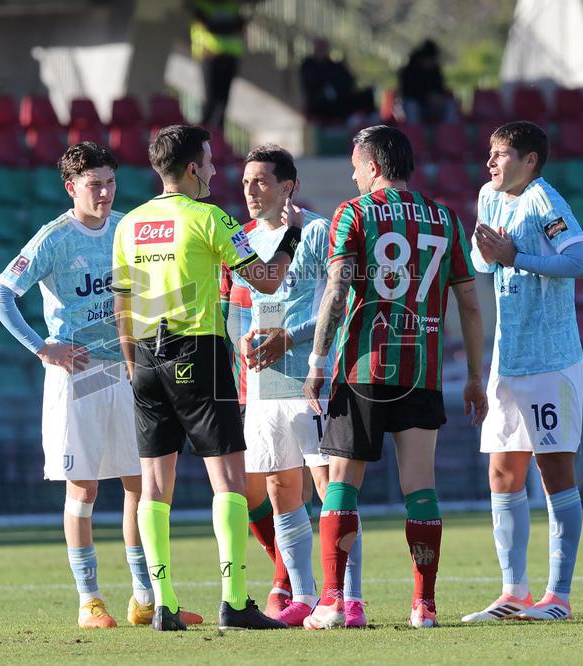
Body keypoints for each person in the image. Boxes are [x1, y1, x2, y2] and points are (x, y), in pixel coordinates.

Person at [0, 143, 203, 630]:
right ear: (71, 188)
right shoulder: (54, 238)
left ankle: (145, 598)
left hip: (127, 369)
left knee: (139, 483)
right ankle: (89, 600)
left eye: (110, 182)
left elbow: (147, 292)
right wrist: (43, 348)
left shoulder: (127, 228)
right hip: (79, 375)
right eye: (93, 185)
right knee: (82, 489)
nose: (104, 193)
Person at [111, 124, 301, 631]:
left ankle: (164, 604)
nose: (216, 172)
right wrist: (293, 235)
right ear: (193, 168)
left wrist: (131, 364)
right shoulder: (210, 217)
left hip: (145, 358)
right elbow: (268, 280)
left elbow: (121, 302)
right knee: (230, 481)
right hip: (198, 350)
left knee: (155, 485)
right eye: (211, 163)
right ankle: (234, 601)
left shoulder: (130, 224)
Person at [302, 125, 488, 630]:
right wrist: (475, 376)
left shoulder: (353, 213)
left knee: (342, 483)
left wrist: (317, 361)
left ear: (374, 167)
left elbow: (337, 289)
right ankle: (424, 605)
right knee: (421, 487)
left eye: (356, 167)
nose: (353, 177)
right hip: (421, 368)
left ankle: (332, 601)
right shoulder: (445, 218)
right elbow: (470, 303)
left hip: (363, 365)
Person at [220, 144, 366, 627]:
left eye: (261, 181)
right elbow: (236, 311)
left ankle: (349, 597)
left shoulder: (318, 230)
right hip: (263, 385)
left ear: (290, 186)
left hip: (312, 380)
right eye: (246, 181)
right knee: (281, 486)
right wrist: (241, 342)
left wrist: (292, 337)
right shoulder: (240, 240)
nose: (251, 190)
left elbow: (337, 302)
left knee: (331, 487)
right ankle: (303, 594)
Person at [462, 120, 583, 623]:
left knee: (554, 471)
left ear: (529, 160)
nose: (490, 162)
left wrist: (516, 255)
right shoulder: (489, 196)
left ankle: (558, 597)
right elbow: (483, 264)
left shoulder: (545, 201)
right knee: (502, 471)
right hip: (508, 358)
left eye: (500, 154)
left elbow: (580, 263)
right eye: (490, 153)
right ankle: (513, 592)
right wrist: (490, 254)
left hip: (550, 360)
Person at [190, 0, 251, 128]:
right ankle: (201, 132)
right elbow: (210, 26)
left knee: (223, 101)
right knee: (210, 100)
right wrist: (232, 27)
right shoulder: (203, 5)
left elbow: (240, 26)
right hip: (210, 55)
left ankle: (218, 133)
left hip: (230, 56)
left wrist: (236, 25)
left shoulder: (231, 6)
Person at [300, 38, 372, 125]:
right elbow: (313, 86)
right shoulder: (308, 65)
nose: (322, 50)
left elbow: (349, 81)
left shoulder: (334, 65)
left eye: (324, 48)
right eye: (320, 47)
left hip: (341, 99)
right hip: (321, 104)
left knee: (367, 93)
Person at [398, 39, 458, 124]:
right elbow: (407, 93)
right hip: (414, 107)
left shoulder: (435, 72)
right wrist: (426, 97)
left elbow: (440, 90)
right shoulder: (409, 72)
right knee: (412, 106)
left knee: (450, 105)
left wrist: (438, 98)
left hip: (432, 107)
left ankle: (448, 131)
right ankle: (413, 131)